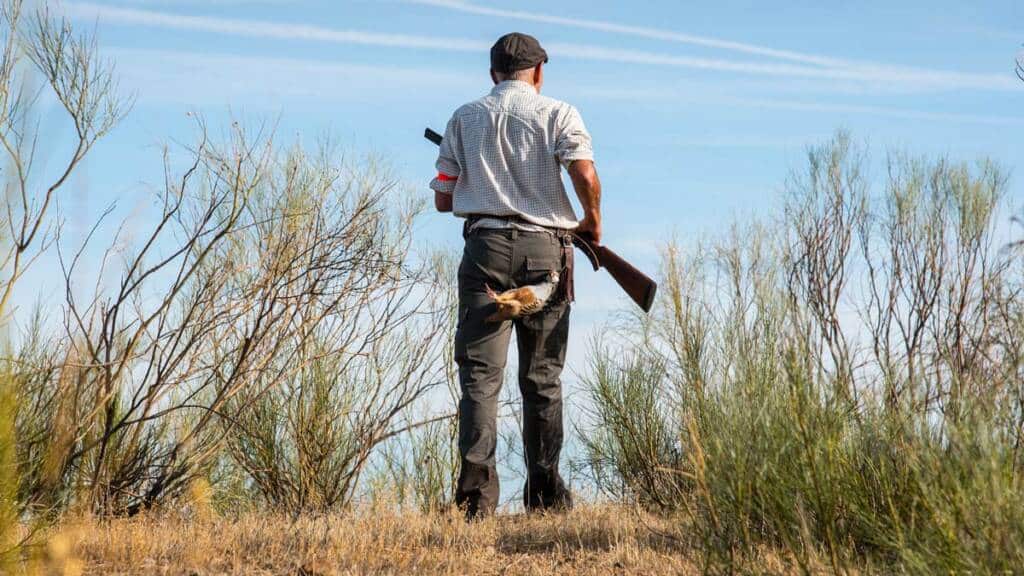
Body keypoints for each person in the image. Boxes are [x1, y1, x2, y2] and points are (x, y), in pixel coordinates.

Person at [429, 32, 603, 518]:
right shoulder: (559, 114)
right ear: (540, 72)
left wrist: (477, 179)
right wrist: (592, 224)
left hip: (483, 251)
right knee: (542, 379)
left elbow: (444, 200)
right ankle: (545, 497)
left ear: (492, 75)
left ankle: (475, 504)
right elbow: (585, 176)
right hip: (546, 253)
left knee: (480, 382)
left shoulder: (463, 118)